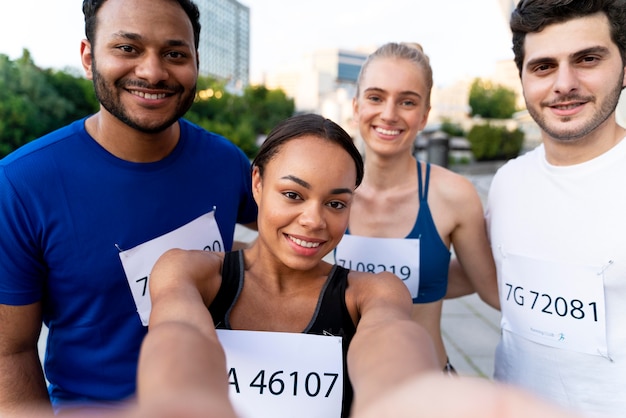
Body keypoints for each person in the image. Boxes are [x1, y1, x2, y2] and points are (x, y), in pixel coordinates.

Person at [0, 0, 257, 415]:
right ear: (88, 57)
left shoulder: (227, 163)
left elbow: (293, 239)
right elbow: (9, 354)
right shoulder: (20, 185)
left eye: (175, 54)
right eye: (127, 48)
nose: (153, 72)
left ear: (195, 61)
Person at [143, 113, 440, 418]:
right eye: (292, 195)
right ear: (257, 183)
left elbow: (389, 343)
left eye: (335, 204)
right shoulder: (191, 273)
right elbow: (178, 338)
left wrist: (399, 387)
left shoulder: (371, 292)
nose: (313, 220)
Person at [486, 0, 626, 415]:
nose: (564, 83)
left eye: (587, 59)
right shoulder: (507, 182)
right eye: (543, 66)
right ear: (523, 78)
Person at [333, 42, 499, 372]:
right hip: (342, 389)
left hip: (424, 386)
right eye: (376, 97)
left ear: (424, 115)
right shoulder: (329, 192)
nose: (389, 114)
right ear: (355, 106)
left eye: (407, 101)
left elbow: (491, 287)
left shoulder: (453, 196)